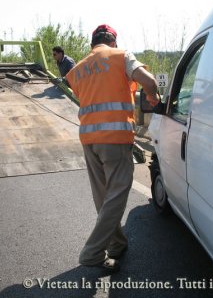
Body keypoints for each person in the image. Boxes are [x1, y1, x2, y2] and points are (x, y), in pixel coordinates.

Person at [65, 24, 159, 272]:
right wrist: (153, 98)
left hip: (88, 138)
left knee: (103, 195)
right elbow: (148, 81)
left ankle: (116, 244)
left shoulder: (78, 68)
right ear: (113, 42)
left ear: (92, 44)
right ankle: (93, 252)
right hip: (115, 137)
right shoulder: (121, 56)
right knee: (117, 193)